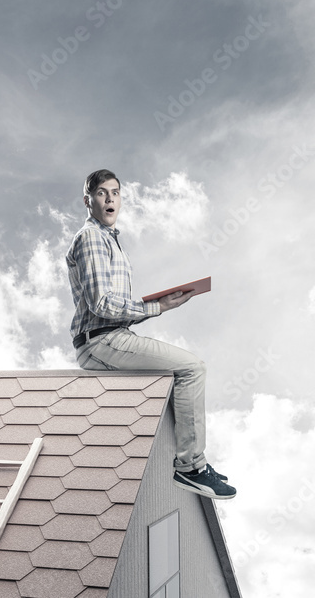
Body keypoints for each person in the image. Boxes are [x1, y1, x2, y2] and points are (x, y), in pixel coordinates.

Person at [65, 169, 235, 500]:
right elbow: (102, 305)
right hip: (101, 341)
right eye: (102, 193)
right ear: (88, 200)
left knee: (183, 372)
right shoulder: (91, 239)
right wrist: (157, 307)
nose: (110, 198)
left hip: (112, 335)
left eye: (116, 192)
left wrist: (162, 303)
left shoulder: (111, 240)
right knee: (192, 368)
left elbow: (115, 307)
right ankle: (190, 468)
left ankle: (192, 461)